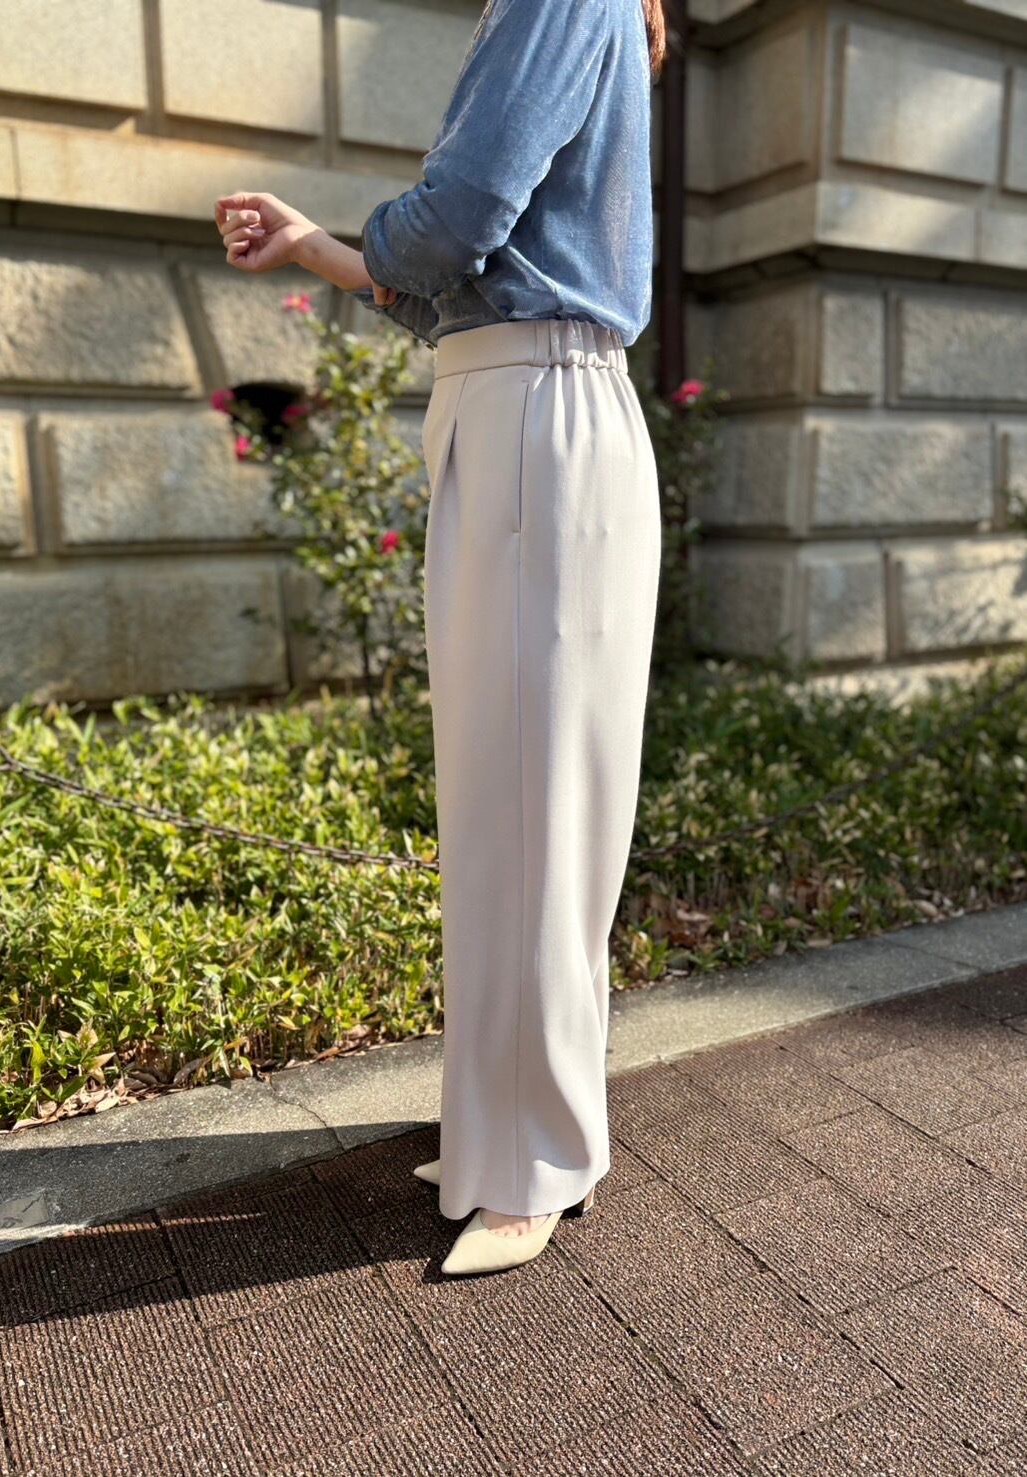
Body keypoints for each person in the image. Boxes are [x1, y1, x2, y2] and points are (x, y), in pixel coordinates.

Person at [214, 0, 667, 1277]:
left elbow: (457, 219)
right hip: (516, 400)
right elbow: (454, 281)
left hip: (535, 411)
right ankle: (502, 1131)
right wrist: (315, 245)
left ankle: (531, 1161)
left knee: (531, 810)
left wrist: (378, 235)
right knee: (511, 809)